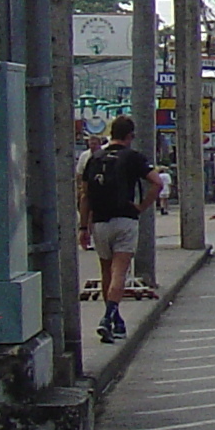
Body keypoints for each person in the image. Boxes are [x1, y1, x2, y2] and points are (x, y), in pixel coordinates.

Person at [78, 114, 156, 344]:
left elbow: (84, 195)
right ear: (130, 136)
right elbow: (157, 183)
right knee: (120, 271)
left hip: (99, 221)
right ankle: (108, 316)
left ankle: (116, 318)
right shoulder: (133, 157)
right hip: (125, 220)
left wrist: (84, 226)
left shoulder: (95, 158)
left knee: (106, 271)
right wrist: (142, 206)